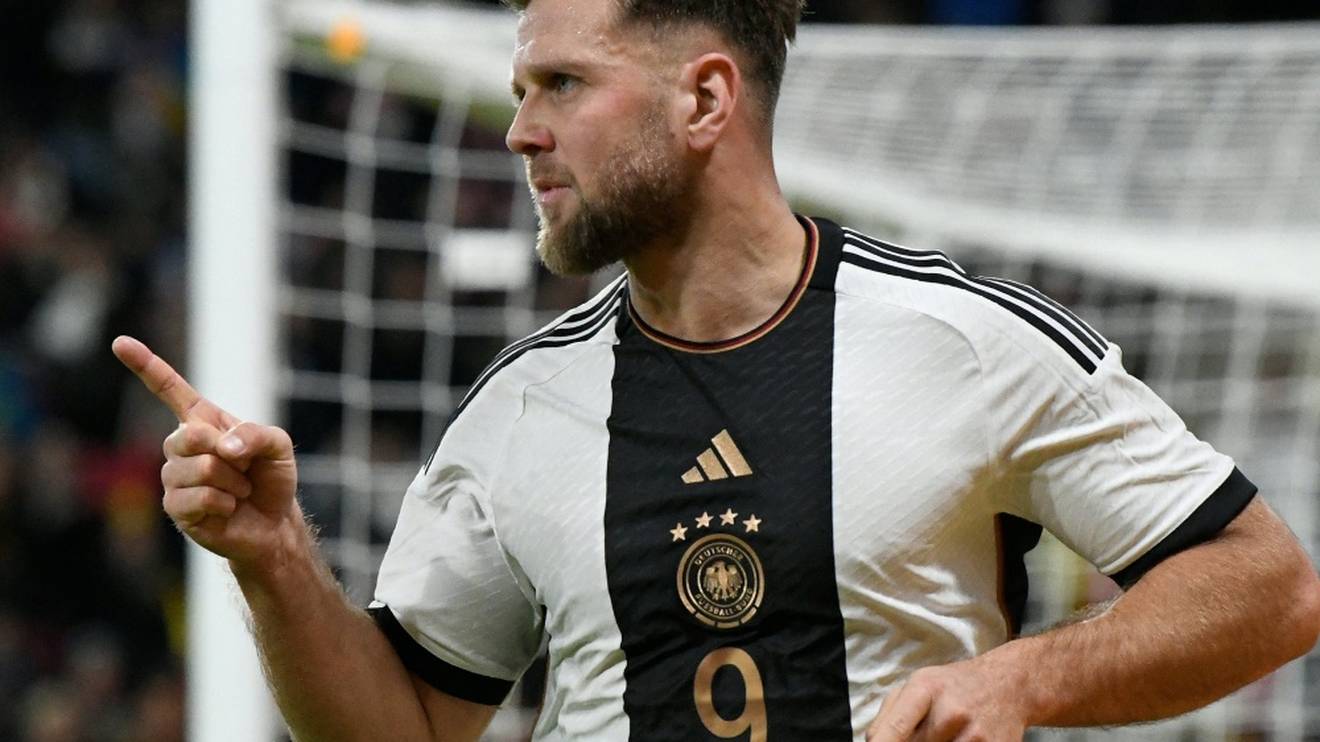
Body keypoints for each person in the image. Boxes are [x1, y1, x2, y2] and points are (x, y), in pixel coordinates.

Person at [112, 0, 1320, 739]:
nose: (520, 129)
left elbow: (1270, 587)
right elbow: (405, 729)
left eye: (562, 83)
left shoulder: (963, 342)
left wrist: (1025, 679)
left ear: (704, 99)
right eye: (521, 88)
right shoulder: (518, 410)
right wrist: (275, 560)